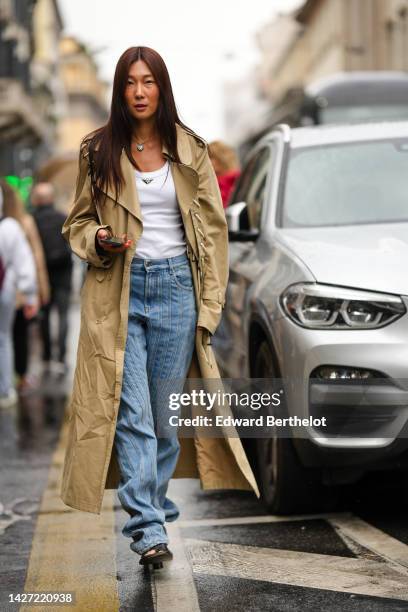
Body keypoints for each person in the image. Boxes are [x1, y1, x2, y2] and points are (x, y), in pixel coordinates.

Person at [60, 46, 259, 570]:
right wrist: (98, 237)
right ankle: (148, 527)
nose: (140, 91)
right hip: (116, 293)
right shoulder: (97, 149)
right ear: (120, 90)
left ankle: (151, 503)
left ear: (161, 87)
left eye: (149, 81)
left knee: (166, 421)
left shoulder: (189, 148)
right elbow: (75, 223)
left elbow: (214, 232)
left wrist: (210, 305)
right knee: (133, 417)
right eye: (131, 82)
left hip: (176, 290)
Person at [1, 182, 50, 391]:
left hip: (11, 286)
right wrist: (37, 293)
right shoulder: (21, 222)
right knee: (13, 336)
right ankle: (16, 379)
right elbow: (35, 258)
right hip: (15, 290)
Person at [0, 180, 38, 408]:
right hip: (5, 291)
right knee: (3, 338)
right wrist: (29, 295)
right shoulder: (11, 228)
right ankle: (5, 390)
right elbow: (24, 264)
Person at [31, 182, 73, 374]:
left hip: (42, 276)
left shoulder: (33, 221)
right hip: (63, 272)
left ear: (38, 200)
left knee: (45, 315)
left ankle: (47, 356)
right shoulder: (62, 218)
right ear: (52, 198)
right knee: (63, 315)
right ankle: (62, 357)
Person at [208, 140, 241, 207]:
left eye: (211, 157)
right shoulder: (211, 182)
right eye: (207, 158)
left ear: (222, 158)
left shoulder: (236, 180)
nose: (209, 161)